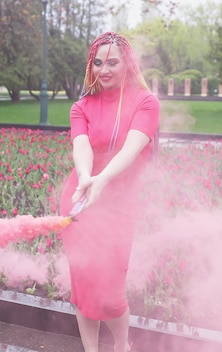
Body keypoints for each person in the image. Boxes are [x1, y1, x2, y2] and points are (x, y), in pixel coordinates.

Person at [59, 32, 160, 352]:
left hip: (117, 203)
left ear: (127, 64)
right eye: (98, 62)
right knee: (84, 286)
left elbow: (132, 148)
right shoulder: (81, 106)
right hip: (80, 199)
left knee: (111, 293)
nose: (104, 69)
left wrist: (101, 181)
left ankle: (121, 345)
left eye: (112, 62)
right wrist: (87, 177)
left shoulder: (145, 102)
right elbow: (81, 146)